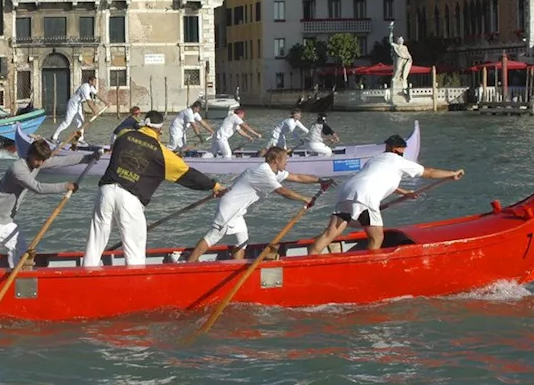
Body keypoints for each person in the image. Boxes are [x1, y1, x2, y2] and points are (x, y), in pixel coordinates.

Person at [82, 110, 225, 267]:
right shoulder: (162, 154)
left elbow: (125, 126)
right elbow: (189, 175)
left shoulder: (123, 135)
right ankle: (136, 285)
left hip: (106, 191)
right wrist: (214, 185)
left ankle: (85, 275)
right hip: (129, 198)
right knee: (134, 250)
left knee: (95, 242)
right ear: (160, 130)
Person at [309, 133, 464, 254]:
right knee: (377, 237)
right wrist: (451, 173)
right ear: (399, 149)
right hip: (365, 197)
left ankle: (309, 259)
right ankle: (370, 269)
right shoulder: (399, 161)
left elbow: (376, 179)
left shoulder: (376, 159)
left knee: (330, 234)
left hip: (346, 192)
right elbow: (429, 172)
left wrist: (405, 192)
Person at [187, 147, 327, 262]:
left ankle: (236, 265)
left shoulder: (273, 172)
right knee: (212, 237)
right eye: (285, 160)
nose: (287, 163)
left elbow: (297, 177)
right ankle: (189, 265)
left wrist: (320, 181)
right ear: (275, 160)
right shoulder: (263, 173)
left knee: (242, 240)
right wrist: (304, 198)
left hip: (238, 211)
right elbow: (283, 192)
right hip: (229, 208)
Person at [0, 139, 77, 269]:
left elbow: (62, 161)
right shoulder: (18, 169)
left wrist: (88, 158)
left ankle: (18, 274)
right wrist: (65, 186)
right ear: (30, 155)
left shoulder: (36, 163)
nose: (40, 163)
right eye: (38, 160)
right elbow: (38, 188)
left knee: (20, 249)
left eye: (43, 160)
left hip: (6, 220)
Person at [51, 75, 106, 144]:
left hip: (78, 105)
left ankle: (80, 139)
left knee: (80, 122)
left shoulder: (91, 87)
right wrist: (94, 111)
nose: (96, 83)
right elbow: (89, 101)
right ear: (90, 81)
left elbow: (98, 94)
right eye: (94, 81)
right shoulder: (85, 87)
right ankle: (54, 136)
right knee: (67, 122)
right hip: (72, 104)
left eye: (96, 81)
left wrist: (106, 102)